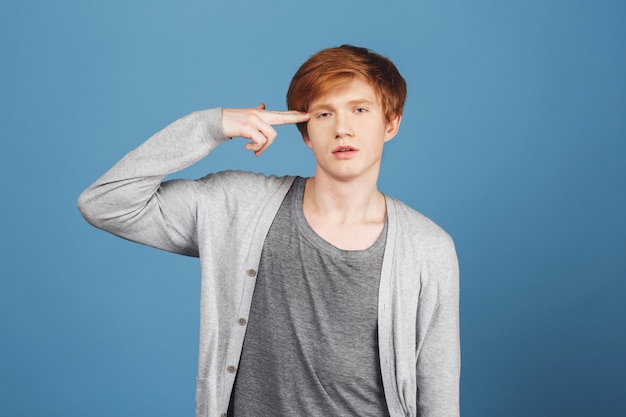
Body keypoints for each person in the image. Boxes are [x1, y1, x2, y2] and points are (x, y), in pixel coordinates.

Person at [78, 45, 460, 417]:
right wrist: (214, 124)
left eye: (360, 109)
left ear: (390, 123)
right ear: (305, 131)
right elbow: (105, 202)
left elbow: (438, 397)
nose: (343, 129)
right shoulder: (238, 206)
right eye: (324, 114)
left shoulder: (427, 248)